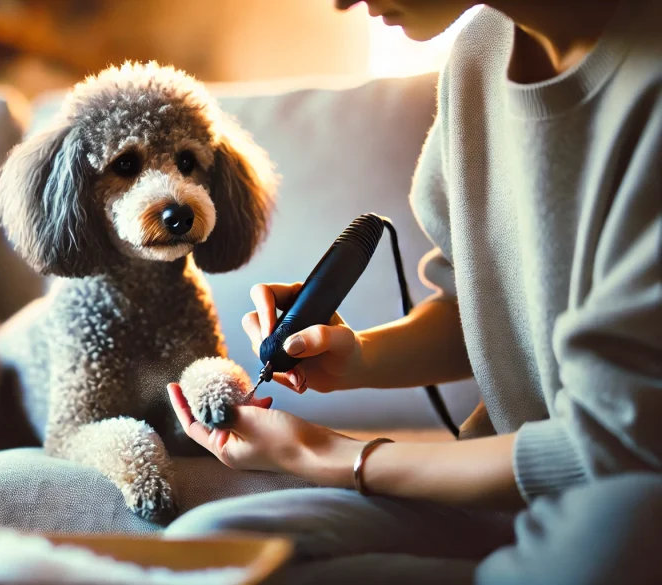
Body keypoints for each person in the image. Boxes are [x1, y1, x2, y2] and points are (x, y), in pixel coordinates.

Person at [165, 0, 662, 583]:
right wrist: (362, 357)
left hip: (616, 495)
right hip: (505, 494)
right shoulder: (479, 52)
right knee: (210, 548)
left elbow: (609, 445)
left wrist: (327, 455)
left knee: (623, 525)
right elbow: (478, 303)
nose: (340, 3)